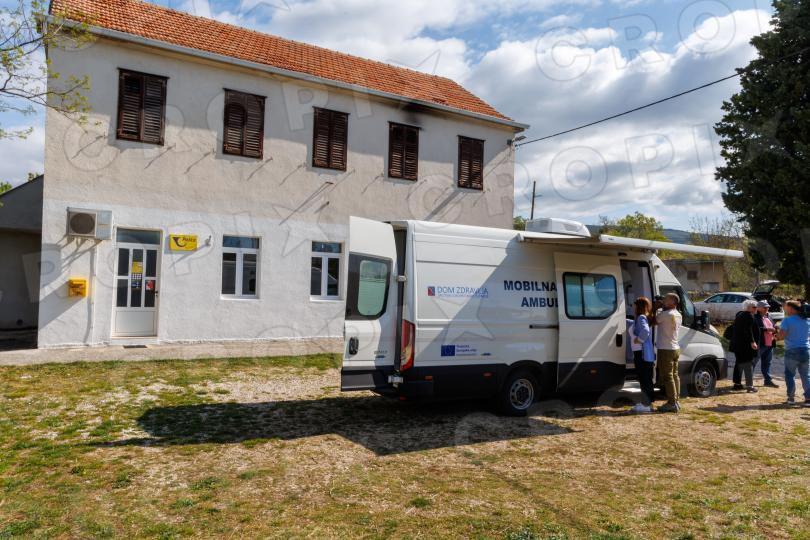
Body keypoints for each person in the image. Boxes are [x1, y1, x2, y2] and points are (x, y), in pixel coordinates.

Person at [777, 300, 810, 406]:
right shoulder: (807, 320)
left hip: (792, 350)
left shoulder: (787, 320)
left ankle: (791, 399)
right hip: (806, 350)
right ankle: (808, 399)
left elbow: (781, 336)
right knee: (806, 375)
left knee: (790, 375)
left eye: (786, 307)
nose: (785, 310)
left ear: (791, 309)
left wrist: (776, 335)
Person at [656, 293, 682, 413]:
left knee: (667, 376)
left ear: (672, 302)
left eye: (666, 299)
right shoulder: (678, 314)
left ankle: (671, 403)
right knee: (675, 375)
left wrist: (655, 308)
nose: (663, 301)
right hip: (675, 347)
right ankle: (676, 400)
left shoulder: (665, 314)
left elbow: (653, 321)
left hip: (665, 348)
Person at [630, 297, 655, 414]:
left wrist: (639, 340)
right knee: (645, 379)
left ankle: (646, 405)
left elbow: (645, 331)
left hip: (642, 354)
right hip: (642, 354)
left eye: (634, 305)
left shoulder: (641, 318)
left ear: (638, 306)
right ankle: (646, 403)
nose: (633, 307)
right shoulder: (640, 318)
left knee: (644, 379)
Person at [731, 300, 760, 392]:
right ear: (748, 308)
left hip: (738, 345)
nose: (756, 309)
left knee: (739, 363)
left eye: (756, 307)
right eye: (754, 307)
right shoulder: (749, 316)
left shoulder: (740, 315)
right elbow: (747, 330)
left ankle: (737, 384)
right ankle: (749, 386)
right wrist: (752, 341)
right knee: (748, 364)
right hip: (745, 345)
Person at [755, 300, 778, 388]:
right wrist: (766, 329)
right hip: (761, 343)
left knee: (767, 363)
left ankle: (767, 381)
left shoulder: (769, 316)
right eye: (765, 307)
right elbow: (755, 329)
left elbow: (773, 326)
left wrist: (775, 330)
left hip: (770, 343)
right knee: (754, 362)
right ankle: (749, 382)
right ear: (759, 308)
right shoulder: (755, 317)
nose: (767, 309)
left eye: (767, 307)